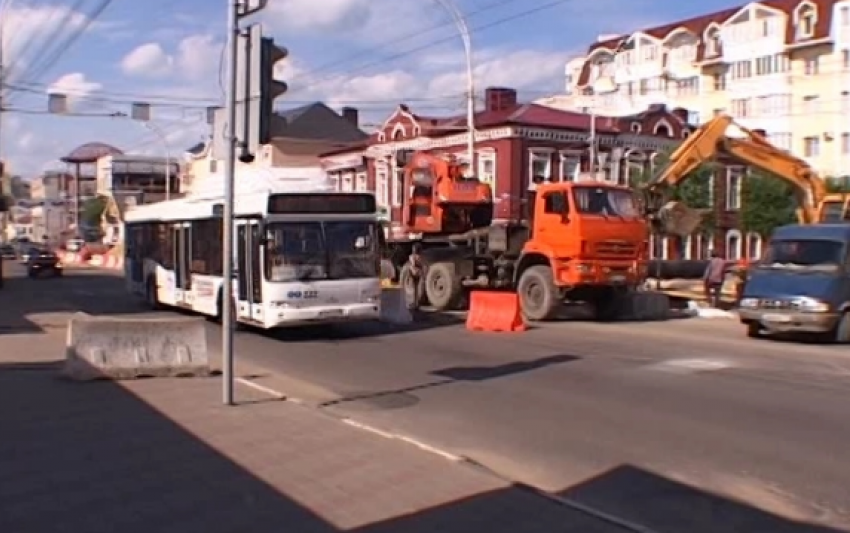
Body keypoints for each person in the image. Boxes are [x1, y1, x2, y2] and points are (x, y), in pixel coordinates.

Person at [406, 242, 425, 311]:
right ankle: (416, 303)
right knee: (416, 288)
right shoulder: (420, 257)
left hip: (413, 272)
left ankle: (414, 303)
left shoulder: (412, 256)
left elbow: (413, 264)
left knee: (413, 288)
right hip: (419, 273)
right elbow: (422, 265)